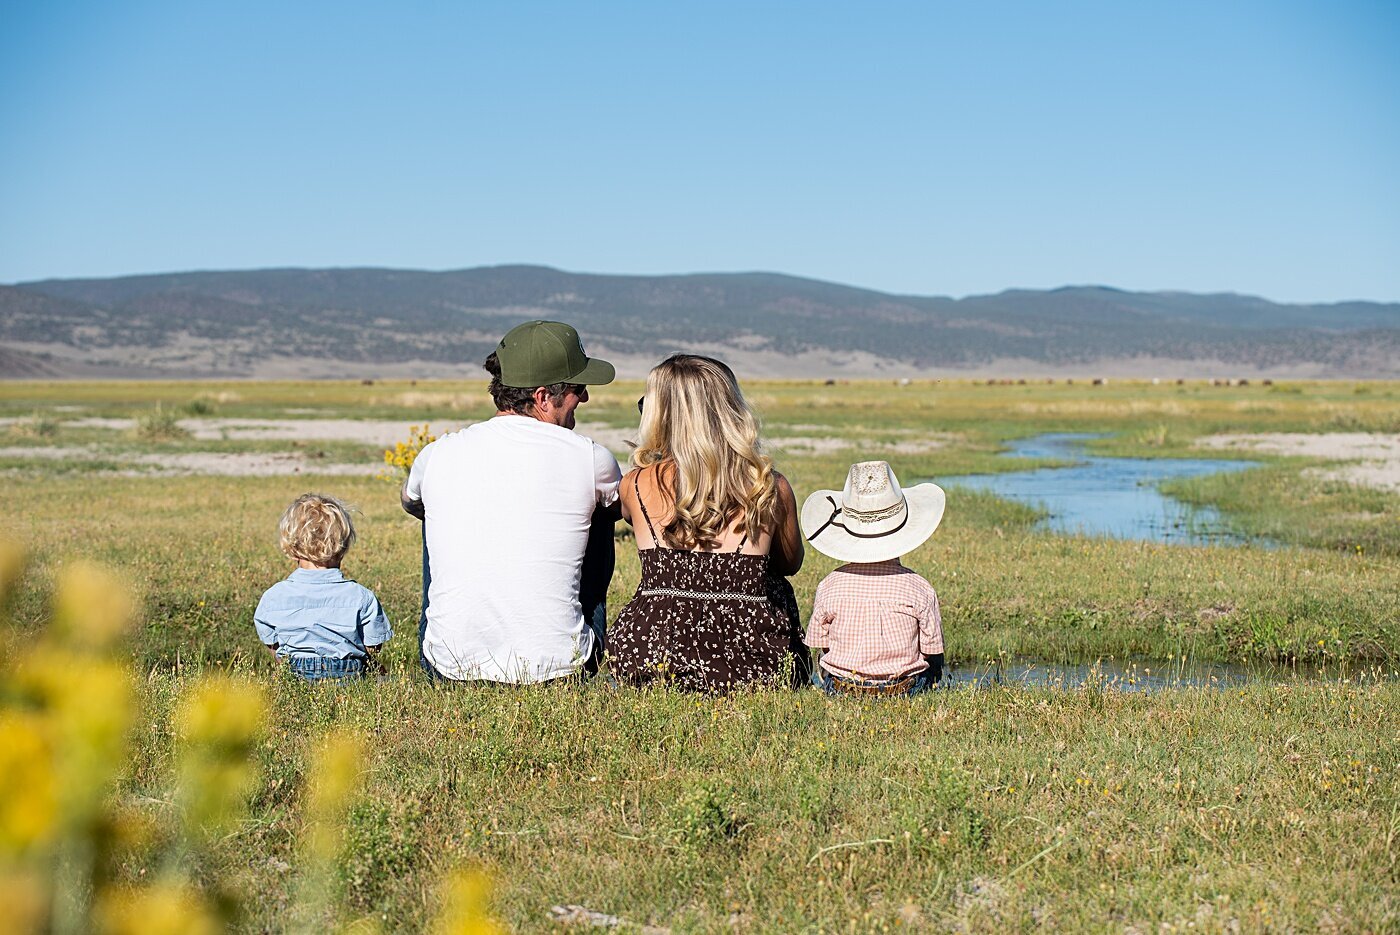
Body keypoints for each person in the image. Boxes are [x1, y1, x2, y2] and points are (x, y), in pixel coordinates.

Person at [401, 320, 622, 683]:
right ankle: (572, 639)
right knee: (600, 511)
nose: (584, 398)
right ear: (542, 397)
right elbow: (627, 509)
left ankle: (456, 638)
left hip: (447, 668)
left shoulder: (438, 452)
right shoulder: (590, 457)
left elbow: (409, 502)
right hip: (560, 670)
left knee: (433, 509)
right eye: (578, 389)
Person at [608, 354, 807, 692]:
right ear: (730, 409)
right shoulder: (769, 486)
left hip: (653, 654)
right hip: (752, 659)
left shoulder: (635, 484)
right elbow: (790, 563)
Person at [799, 460, 947, 697]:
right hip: (903, 688)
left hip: (842, 688)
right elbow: (931, 651)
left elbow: (820, 644)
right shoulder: (919, 587)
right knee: (932, 666)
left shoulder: (829, 585)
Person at [254, 493, 392, 682]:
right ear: (342, 548)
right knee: (384, 679)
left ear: (292, 549)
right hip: (349, 672)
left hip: (295, 672)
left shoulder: (274, 596)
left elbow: (273, 644)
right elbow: (373, 647)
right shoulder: (361, 596)